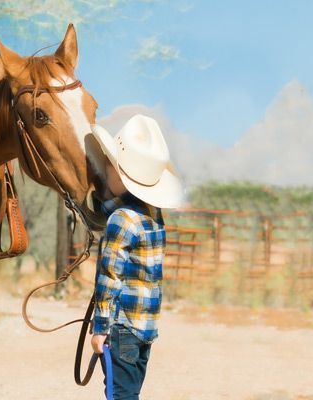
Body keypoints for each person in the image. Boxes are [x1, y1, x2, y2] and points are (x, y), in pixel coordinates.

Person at [89, 114, 185, 399]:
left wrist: (100, 327)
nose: (105, 170)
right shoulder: (153, 215)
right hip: (145, 328)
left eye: (109, 165)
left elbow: (110, 277)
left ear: (121, 175)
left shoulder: (121, 220)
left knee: (120, 395)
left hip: (122, 327)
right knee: (130, 392)